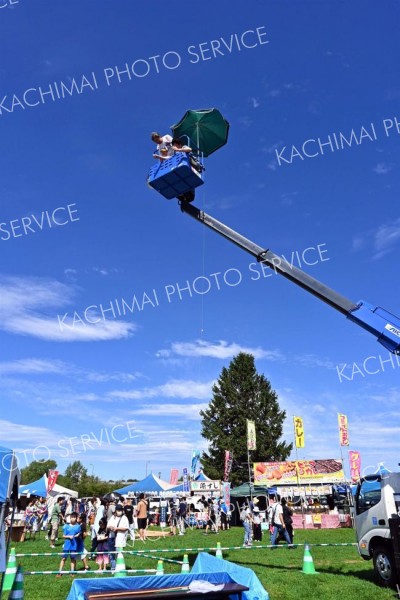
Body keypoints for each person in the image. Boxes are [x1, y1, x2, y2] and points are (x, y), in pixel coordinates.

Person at [56, 512, 81, 577]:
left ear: (76, 518)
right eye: (72, 517)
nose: (73, 519)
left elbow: (79, 534)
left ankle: (72, 572)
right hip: (67, 545)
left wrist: (76, 536)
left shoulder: (78, 526)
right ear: (70, 518)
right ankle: (59, 572)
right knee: (63, 558)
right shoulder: (66, 526)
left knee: (73, 558)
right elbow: (63, 536)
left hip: (74, 545)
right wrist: (69, 537)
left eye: (74, 517)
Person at [107, 504, 129, 571]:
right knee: (111, 555)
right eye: (118, 510)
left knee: (119, 554)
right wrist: (110, 527)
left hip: (120, 539)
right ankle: (113, 568)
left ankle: (120, 568)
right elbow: (108, 526)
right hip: (111, 538)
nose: (119, 511)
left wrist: (117, 529)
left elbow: (126, 528)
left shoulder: (124, 518)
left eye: (120, 510)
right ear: (115, 511)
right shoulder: (112, 517)